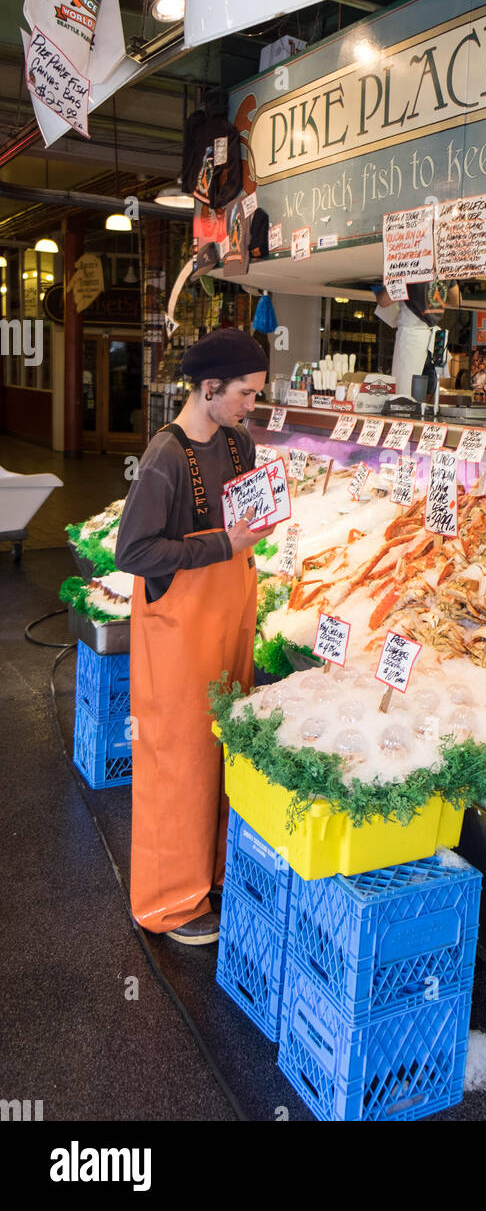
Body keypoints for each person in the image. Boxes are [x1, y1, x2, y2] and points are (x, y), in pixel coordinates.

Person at [114, 327, 273, 945]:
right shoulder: (164, 456)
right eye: (245, 394)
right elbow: (135, 550)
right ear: (210, 388)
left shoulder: (238, 442)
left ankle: (210, 877)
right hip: (178, 632)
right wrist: (221, 544)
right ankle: (167, 901)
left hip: (230, 616)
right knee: (176, 760)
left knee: (219, 752)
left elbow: (240, 514)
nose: (251, 407)